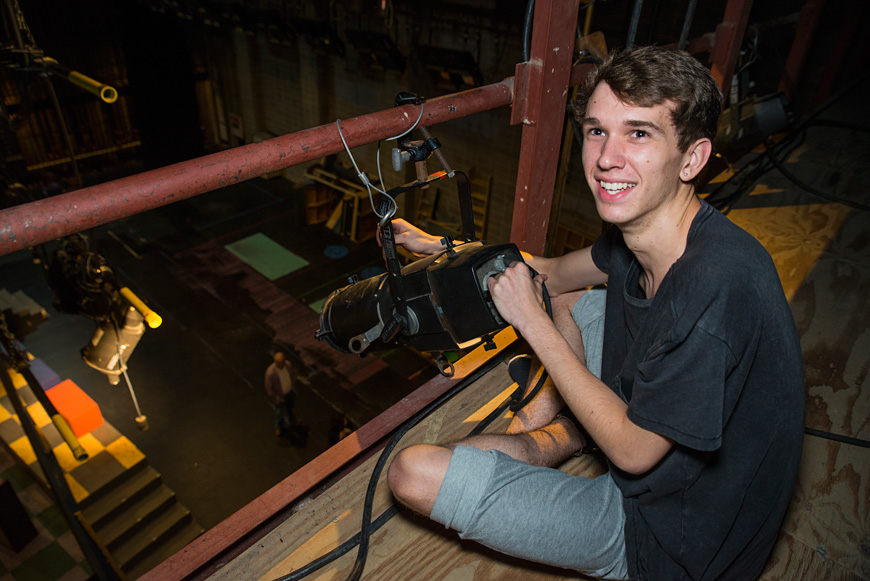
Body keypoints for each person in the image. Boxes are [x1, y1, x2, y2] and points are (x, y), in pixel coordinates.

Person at [385, 46, 805, 580]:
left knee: (412, 473)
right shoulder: (652, 235)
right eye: (595, 130)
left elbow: (633, 454)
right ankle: (575, 430)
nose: (606, 157)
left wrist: (532, 325)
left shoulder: (715, 288)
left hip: (667, 540)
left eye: (639, 133)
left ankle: (567, 432)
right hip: (658, 460)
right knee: (575, 295)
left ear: (693, 158)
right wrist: (445, 248)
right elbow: (550, 272)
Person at [265, 351, 296, 438]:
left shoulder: (288, 365)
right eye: (279, 363)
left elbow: (293, 374)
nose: (281, 364)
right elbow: (269, 388)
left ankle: (292, 421)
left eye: (282, 362)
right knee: (280, 413)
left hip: (289, 392)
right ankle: (279, 427)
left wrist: (292, 385)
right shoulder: (271, 373)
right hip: (280, 396)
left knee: (290, 408)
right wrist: (276, 397)